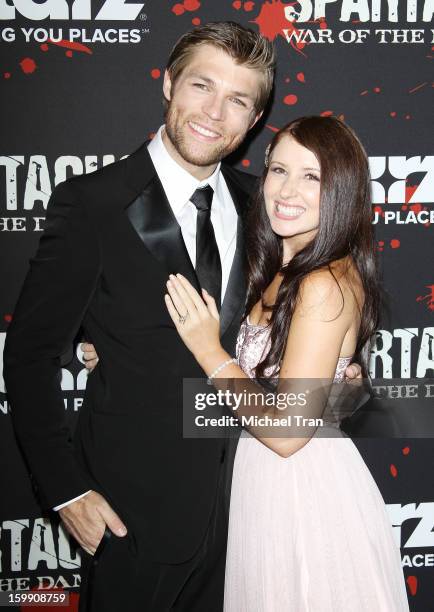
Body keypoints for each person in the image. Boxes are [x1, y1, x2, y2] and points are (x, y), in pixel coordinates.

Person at [4, 21, 359, 612]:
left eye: (238, 100)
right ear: (169, 85)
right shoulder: (92, 204)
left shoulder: (267, 207)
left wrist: (344, 386)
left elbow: (300, 335)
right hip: (133, 515)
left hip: (250, 506)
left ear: (253, 121)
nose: (214, 113)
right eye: (202, 86)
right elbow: (30, 354)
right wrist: (66, 493)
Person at [162, 116, 410, 610]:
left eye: (311, 176)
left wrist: (209, 349)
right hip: (267, 481)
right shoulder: (281, 267)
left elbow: (287, 431)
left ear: (342, 190)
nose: (286, 190)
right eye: (278, 170)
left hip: (303, 492)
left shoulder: (321, 284)